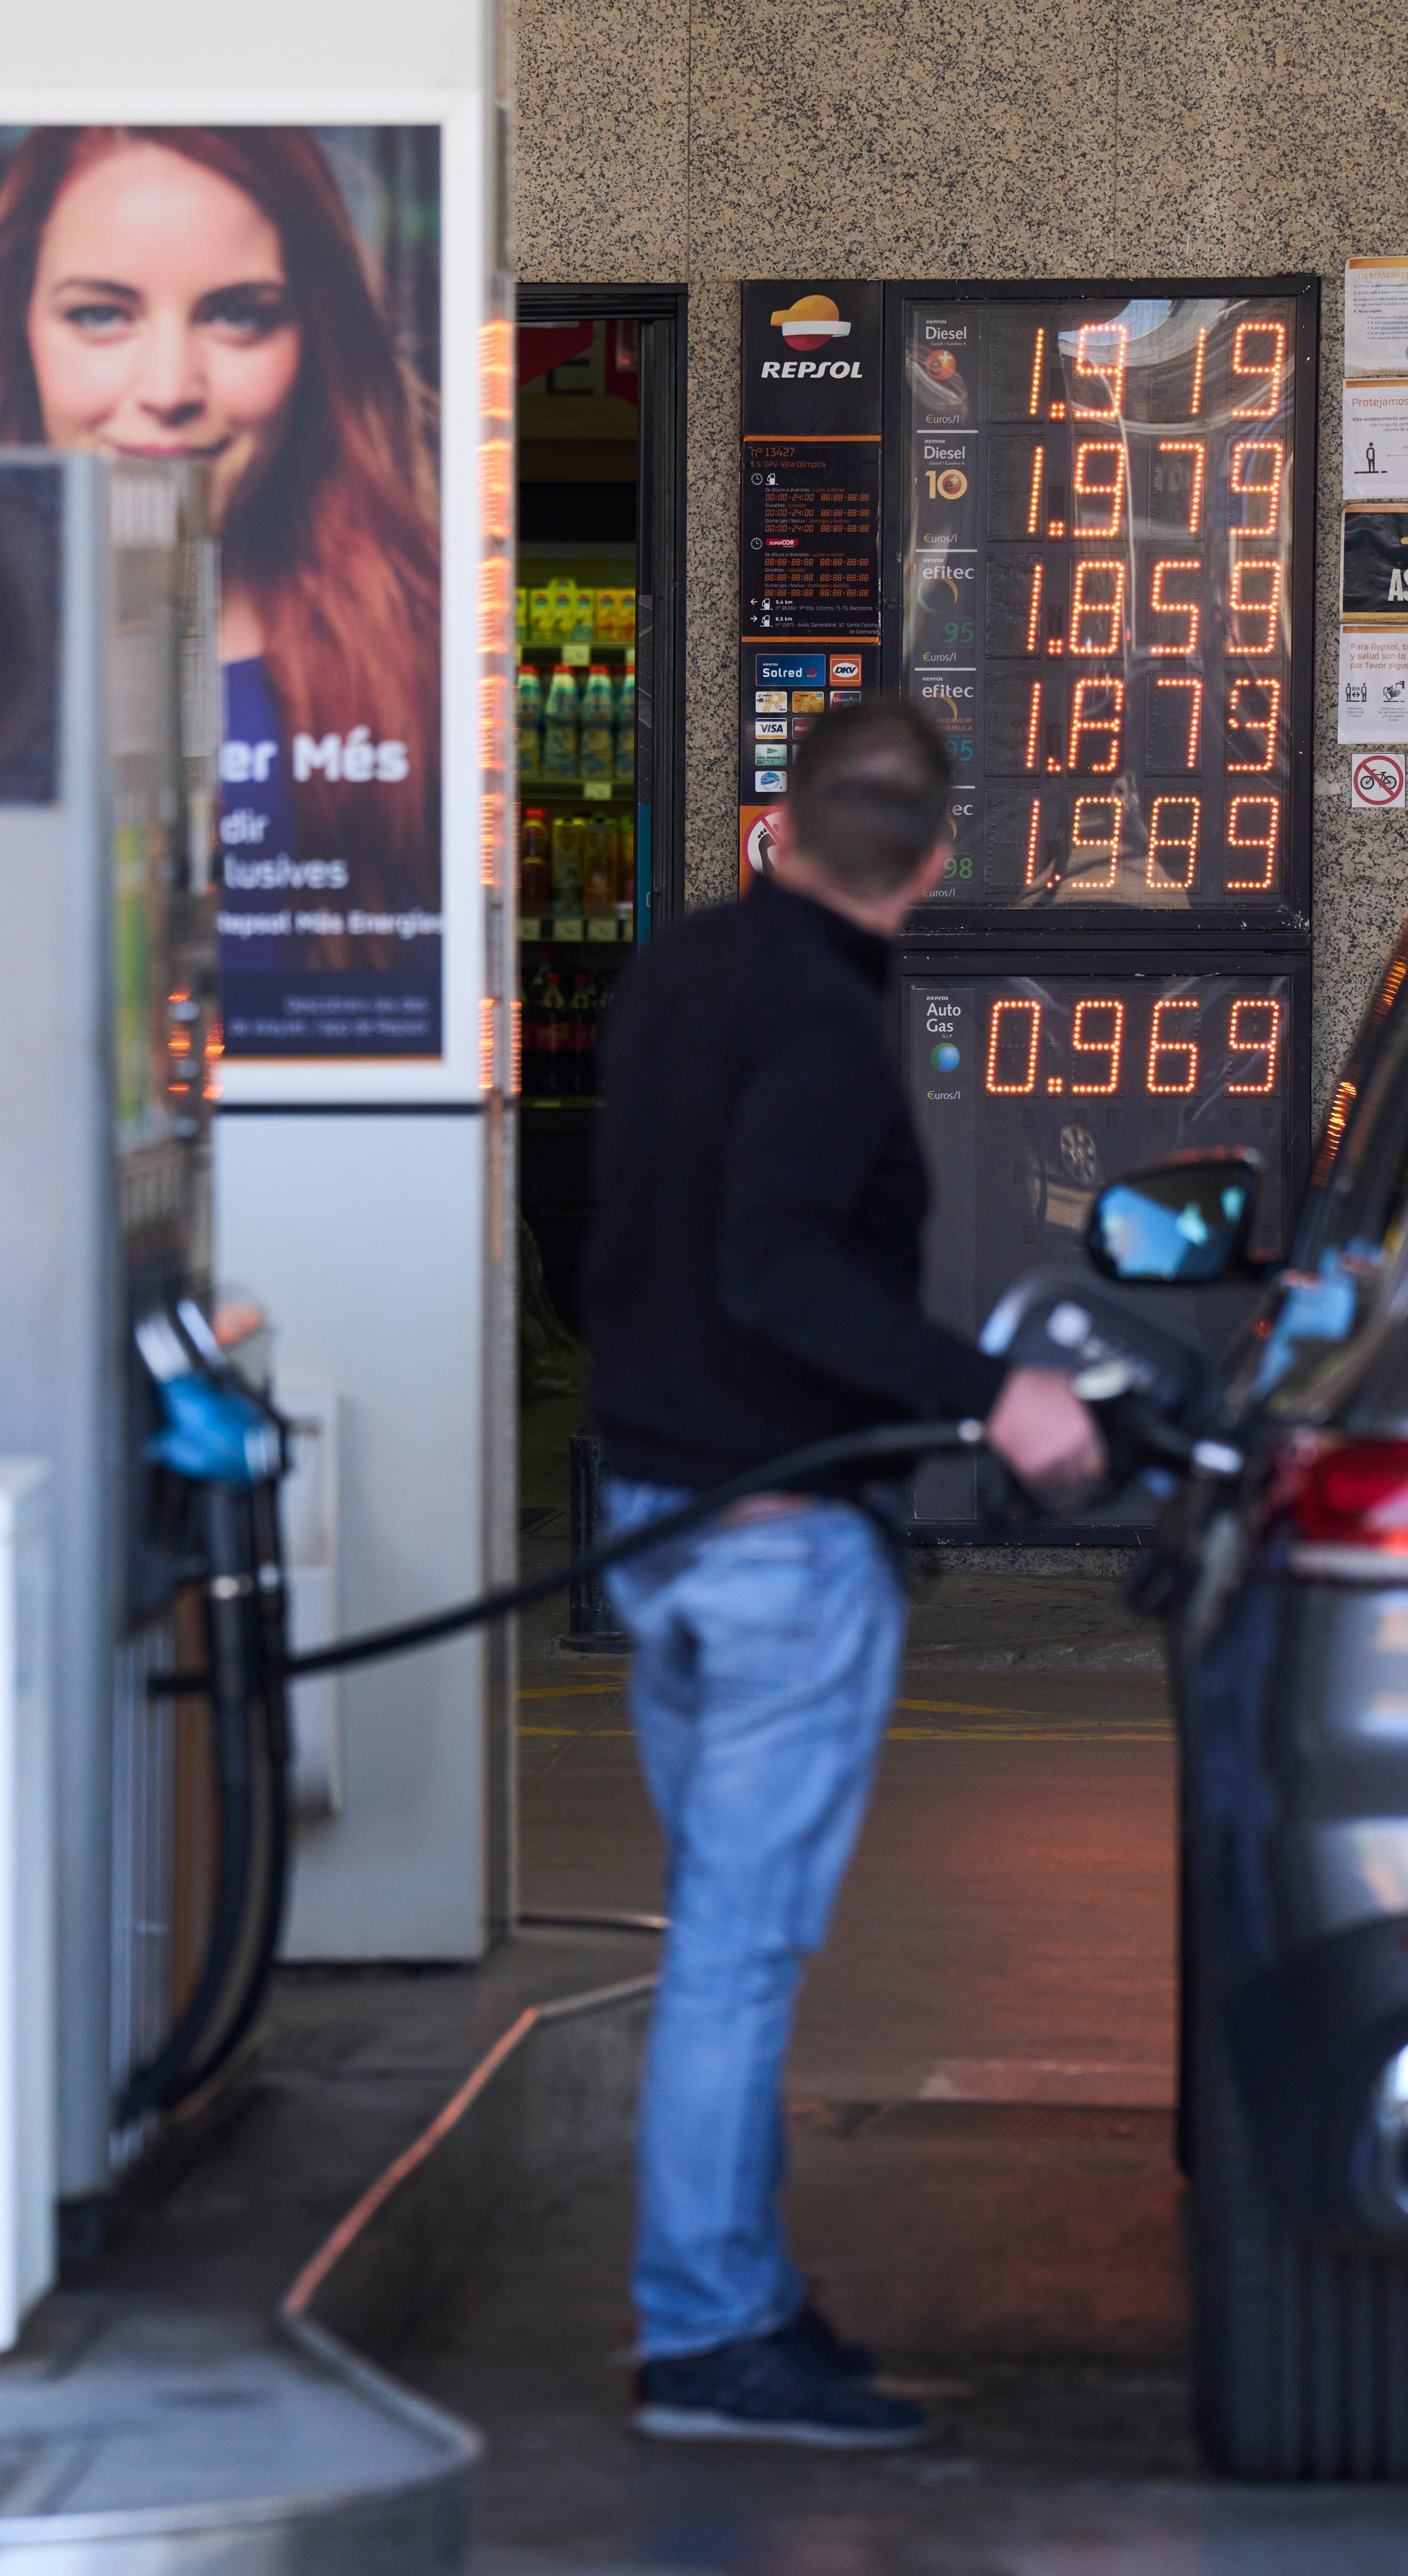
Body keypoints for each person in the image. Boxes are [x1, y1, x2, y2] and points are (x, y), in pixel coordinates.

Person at [583, 700, 1103, 2449]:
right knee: (739, 1952)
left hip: (655, 1519)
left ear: (779, 820)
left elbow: (622, 1237)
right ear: (940, 863)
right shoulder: (820, 1020)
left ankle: (736, 2291)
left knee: (714, 1941)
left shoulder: (677, 976)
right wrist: (994, 1394)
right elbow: (775, 1265)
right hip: (774, 1545)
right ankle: (710, 2335)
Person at [0, 124, 440, 998]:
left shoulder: (432, 655)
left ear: (314, 342)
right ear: (17, 333)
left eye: (237, 314)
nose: (168, 389)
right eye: (101, 314)